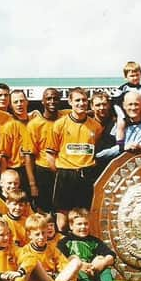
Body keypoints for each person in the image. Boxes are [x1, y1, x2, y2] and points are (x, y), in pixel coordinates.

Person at [48, 88, 102, 225]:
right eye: (77, 100)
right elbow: (50, 154)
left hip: (87, 173)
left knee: (85, 214)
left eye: (84, 100)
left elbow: (97, 151)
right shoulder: (59, 125)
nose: (81, 103)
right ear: (70, 102)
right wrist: (62, 171)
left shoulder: (96, 126)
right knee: (63, 215)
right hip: (66, 174)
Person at [58, 208, 123, 281]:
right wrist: (81, 265)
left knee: (105, 267)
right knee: (75, 268)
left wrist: (102, 263)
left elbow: (111, 254)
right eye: (79, 224)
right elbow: (61, 259)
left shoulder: (94, 241)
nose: (83, 227)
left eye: (86, 224)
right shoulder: (65, 242)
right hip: (77, 278)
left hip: (93, 272)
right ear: (71, 225)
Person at [20, 213, 82, 281]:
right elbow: (29, 279)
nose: (41, 237)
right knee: (34, 262)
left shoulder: (52, 248)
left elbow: (65, 267)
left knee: (76, 261)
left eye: (44, 233)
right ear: (29, 235)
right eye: (37, 234)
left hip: (56, 280)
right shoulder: (25, 250)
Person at [26, 88, 67, 214]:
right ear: (42, 102)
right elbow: (29, 156)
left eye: (55, 98)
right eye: (48, 98)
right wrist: (33, 185)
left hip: (64, 171)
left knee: (63, 210)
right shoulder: (34, 125)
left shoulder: (66, 117)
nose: (52, 101)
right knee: (44, 212)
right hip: (43, 172)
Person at [0, 89, 33, 195]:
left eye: (22, 101)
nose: (19, 104)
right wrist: (4, 180)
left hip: (35, 169)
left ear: (27, 102)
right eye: (15, 102)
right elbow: (3, 156)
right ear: (10, 105)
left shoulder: (35, 122)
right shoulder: (8, 126)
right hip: (17, 171)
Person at [113, 61, 141, 143]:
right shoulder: (123, 88)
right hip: (125, 111)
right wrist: (122, 114)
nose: (135, 78)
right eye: (132, 76)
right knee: (120, 124)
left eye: (137, 75)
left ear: (140, 75)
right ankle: (120, 144)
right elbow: (115, 101)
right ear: (126, 77)